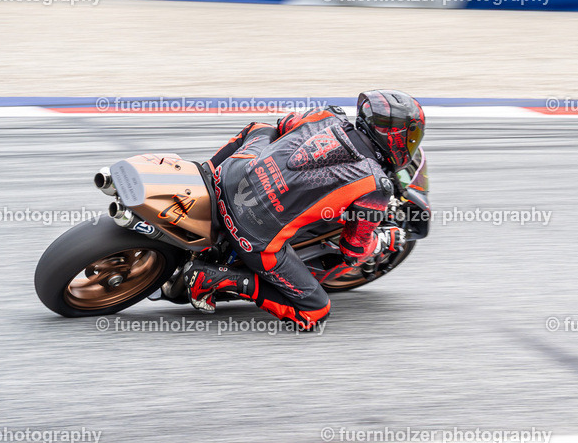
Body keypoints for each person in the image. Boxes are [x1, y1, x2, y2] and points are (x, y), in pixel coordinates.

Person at [182, 90, 425, 330]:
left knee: (261, 129)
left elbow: (284, 124)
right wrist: (385, 239)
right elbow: (354, 250)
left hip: (228, 176)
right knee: (315, 313)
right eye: (412, 136)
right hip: (251, 234)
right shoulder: (376, 185)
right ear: (397, 138)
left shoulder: (328, 115)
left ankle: (203, 172)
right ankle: (216, 278)